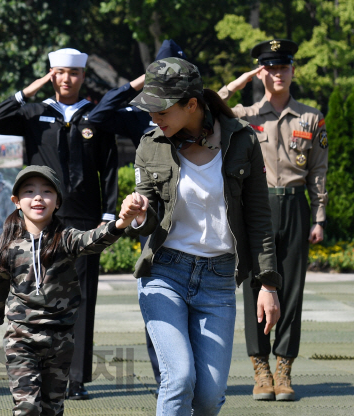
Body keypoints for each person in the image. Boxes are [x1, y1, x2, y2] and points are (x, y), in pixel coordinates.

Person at [125, 58, 282, 415]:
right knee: (179, 379)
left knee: (209, 398)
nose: (154, 117)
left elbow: (259, 218)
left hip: (218, 281)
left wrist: (268, 285)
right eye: (149, 108)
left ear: (191, 105)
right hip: (164, 273)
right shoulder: (150, 144)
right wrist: (136, 216)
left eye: (161, 109)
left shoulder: (242, 139)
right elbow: (148, 219)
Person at [0, 48, 119, 400]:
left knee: (82, 297)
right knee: (37, 293)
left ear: (83, 76)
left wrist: (108, 212)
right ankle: (36, 368)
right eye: (59, 72)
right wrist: (31, 89)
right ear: (50, 74)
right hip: (40, 219)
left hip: (84, 217)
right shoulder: (35, 111)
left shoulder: (95, 115)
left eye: (73, 73)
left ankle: (75, 377)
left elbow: (109, 164)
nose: (66, 79)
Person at [0, 165, 145, 416]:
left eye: (47, 191)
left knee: (52, 408)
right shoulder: (6, 246)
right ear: (16, 201)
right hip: (21, 338)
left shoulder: (66, 239)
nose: (38, 197)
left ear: (57, 202)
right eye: (29, 191)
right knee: (26, 407)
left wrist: (121, 222)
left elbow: (94, 239)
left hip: (60, 339)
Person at [218, 39, 328, 401]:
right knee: (254, 286)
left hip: (295, 206)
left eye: (283, 66)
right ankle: (260, 369)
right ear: (259, 72)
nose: (277, 73)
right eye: (269, 67)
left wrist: (319, 217)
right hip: (256, 207)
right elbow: (210, 107)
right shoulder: (245, 116)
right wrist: (240, 80)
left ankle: (284, 368)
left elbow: (318, 172)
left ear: (293, 70)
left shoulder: (311, 117)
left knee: (291, 289)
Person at [89, 39, 187, 394]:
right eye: (160, 74)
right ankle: (165, 378)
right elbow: (97, 116)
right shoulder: (140, 116)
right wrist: (137, 84)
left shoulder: (196, 112)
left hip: (195, 222)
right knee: (158, 303)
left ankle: (189, 378)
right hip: (155, 224)